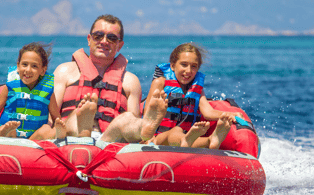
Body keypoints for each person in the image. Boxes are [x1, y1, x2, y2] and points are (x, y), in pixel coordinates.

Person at [101, 42, 240, 149]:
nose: (188, 70)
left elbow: (208, 112)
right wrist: (145, 134)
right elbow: (148, 111)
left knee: (182, 134)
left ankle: (211, 140)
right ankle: (190, 140)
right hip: (157, 137)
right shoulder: (160, 82)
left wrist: (228, 115)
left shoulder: (197, 89)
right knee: (176, 132)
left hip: (186, 134)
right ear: (173, 65)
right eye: (184, 65)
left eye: (194, 66)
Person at [30, 14, 145, 140]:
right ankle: (84, 129)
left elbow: (132, 124)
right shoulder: (65, 71)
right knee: (77, 115)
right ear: (89, 39)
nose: (104, 41)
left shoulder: (130, 81)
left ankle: (148, 124)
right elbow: (51, 118)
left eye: (111, 38)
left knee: (128, 119)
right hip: (69, 136)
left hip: (109, 139)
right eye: (98, 36)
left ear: (119, 45)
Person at [0, 42, 65, 139]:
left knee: (46, 129)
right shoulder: (10, 87)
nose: (28, 70)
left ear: (43, 70)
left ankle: (51, 135)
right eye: (24, 64)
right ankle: (7, 133)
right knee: (5, 128)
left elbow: (56, 118)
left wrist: (57, 127)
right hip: (11, 133)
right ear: (18, 66)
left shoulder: (47, 92)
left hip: (34, 138)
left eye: (34, 66)